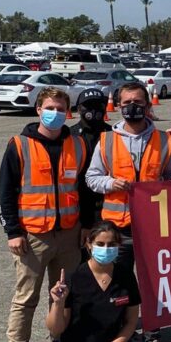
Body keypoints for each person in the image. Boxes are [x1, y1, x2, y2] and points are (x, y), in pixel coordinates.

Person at [86, 82, 171, 342]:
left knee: (152, 285)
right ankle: (116, 339)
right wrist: (110, 182)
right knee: (116, 285)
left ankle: (152, 339)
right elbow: (91, 178)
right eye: (127, 102)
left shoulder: (163, 140)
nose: (132, 106)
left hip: (152, 228)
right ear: (118, 106)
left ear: (148, 105)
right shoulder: (106, 141)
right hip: (116, 230)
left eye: (138, 102)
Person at [0, 87, 90, 342]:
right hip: (33, 237)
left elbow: (85, 191)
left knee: (65, 294)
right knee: (26, 298)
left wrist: (86, 226)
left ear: (68, 111)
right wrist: (13, 231)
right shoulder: (19, 145)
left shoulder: (76, 144)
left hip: (69, 234)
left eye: (61, 108)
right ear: (38, 110)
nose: (55, 112)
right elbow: (6, 193)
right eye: (50, 107)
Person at [47, 221, 149, 342]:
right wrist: (58, 303)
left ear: (118, 246)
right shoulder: (73, 278)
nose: (106, 248)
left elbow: (130, 322)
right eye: (100, 244)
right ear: (89, 244)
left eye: (111, 244)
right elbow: (56, 330)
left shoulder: (125, 276)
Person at [71, 89, 112, 257]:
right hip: (80, 212)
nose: (93, 111)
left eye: (98, 106)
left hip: (108, 209)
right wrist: (85, 222)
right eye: (88, 106)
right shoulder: (71, 136)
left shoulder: (114, 134)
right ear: (79, 109)